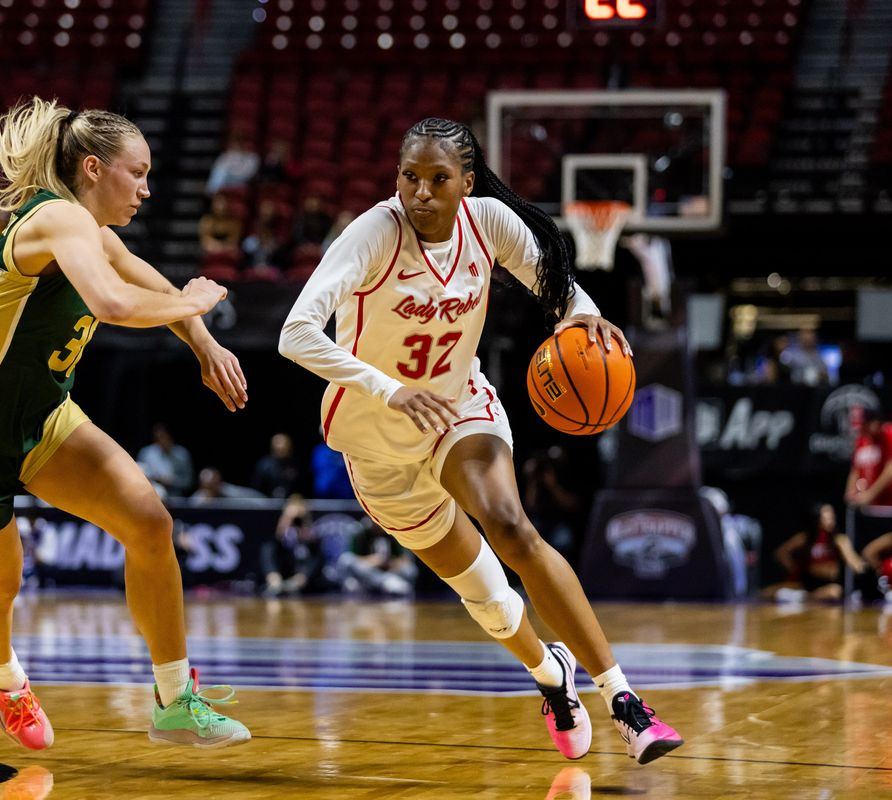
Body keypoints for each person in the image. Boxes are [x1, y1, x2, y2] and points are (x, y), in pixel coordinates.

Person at [278, 117, 682, 764]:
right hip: (377, 441)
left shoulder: (489, 223)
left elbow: (560, 291)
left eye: (439, 179)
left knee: (510, 524)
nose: (421, 193)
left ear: (467, 183)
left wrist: (588, 319)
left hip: (458, 409)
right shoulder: (374, 233)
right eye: (410, 176)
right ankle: (551, 675)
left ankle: (624, 700)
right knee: (489, 600)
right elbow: (295, 334)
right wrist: (390, 389)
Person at [0, 97, 251, 751]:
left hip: (44, 419)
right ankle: (3, 675)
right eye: (138, 173)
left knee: (150, 523)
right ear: (94, 168)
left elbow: (138, 275)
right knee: (2, 581)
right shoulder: (57, 218)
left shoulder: (92, 232)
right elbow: (115, 302)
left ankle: (175, 701)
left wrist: (202, 338)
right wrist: (194, 300)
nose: (147, 189)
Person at [763, 503, 866, 603]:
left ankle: (802, 597)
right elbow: (781, 553)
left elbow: (854, 561)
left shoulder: (839, 539)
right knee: (767, 593)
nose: (831, 521)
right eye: (826, 518)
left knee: (834, 591)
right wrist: (794, 569)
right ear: (817, 519)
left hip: (828, 583)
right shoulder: (807, 538)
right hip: (808, 581)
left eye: (832, 517)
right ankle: (801, 596)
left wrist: (862, 567)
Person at [259, 496, 334, 597]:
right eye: (293, 519)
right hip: (279, 581)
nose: (295, 523)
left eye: (299, 519)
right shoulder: (274, 543)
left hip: (308, 591)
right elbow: (269, 561)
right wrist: (284, 528)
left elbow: (312, 568)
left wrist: (306, 534)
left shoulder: (313, 545)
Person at [845, 409, 892, 508]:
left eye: (865, 425)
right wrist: (850, 491)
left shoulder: (888, 434)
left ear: (874, 423)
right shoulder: (861, 440)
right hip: (873, 504)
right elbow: (856, 469)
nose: (862, 429)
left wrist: (870, 495)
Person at [136, 423, 195, 499]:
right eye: (158, 438)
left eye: (164, 437)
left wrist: (172, 481)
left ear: (170, 436)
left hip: (175, 498)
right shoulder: (146, 453)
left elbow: (189, 482)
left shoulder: (182, 455)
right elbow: (138, 477)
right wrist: (154, 478)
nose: (162, 441)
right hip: (152, 496)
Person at [251, 432, 300, 498]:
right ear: (272, 446)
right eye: (278, 443)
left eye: (284, 444)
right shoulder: (264, 465)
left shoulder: (294, 465)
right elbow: (256, 488)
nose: (280, 447)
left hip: (289, 504)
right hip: (265, 503)